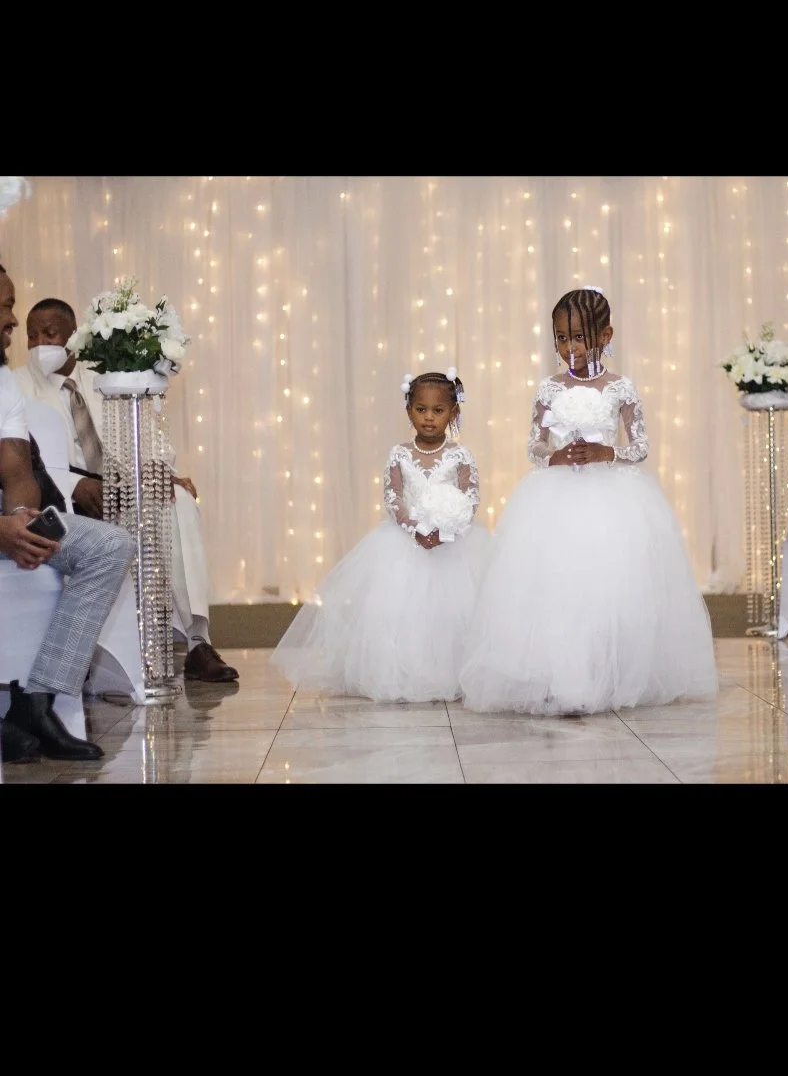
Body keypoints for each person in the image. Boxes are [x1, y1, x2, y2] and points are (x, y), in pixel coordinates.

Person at [459, 286, 717, 715]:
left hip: (611, 497)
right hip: (554, 499)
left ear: (606, 334)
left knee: (608, 586)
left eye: (579, 337)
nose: (569, 347)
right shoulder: (548, 389)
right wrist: (554, 455)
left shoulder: (620, 388)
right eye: (561, 338)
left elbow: (640, 446)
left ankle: (606, 674)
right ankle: (554, 674)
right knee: (555, 585)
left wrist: (606, 453)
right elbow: (534, 446)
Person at [15, 296, 238, 685]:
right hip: (63, 497)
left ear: (72, 337)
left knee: (179, 501)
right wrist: (77, 484)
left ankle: (198, 644)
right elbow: (25, 459)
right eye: (31, 337)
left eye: (49, 335)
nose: (38, 346)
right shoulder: (17, 385)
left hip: (121, 489)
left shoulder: (106, 378)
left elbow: (146, 439)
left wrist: (158, 470)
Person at [270, 367, 489, 701]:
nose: (429, 418)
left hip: (451, 544)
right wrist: (415, 527)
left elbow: (469, 498)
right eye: (421, 410)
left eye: (438, 410)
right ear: (408, 410)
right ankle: (406, 671)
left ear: (453, 412)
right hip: (406, 542)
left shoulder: (460, 455)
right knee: (401, 614)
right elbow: (393, 497)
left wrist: (447, 527)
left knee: (451, 614)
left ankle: (451, 672)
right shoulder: (400, 454)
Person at [0, 262, 135, 762]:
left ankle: (35, 701)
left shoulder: (3, 383)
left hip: (6, 517)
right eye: (6, 307)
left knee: (110, 543)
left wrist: (21, 518)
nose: (12, 322)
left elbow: (16, 464)